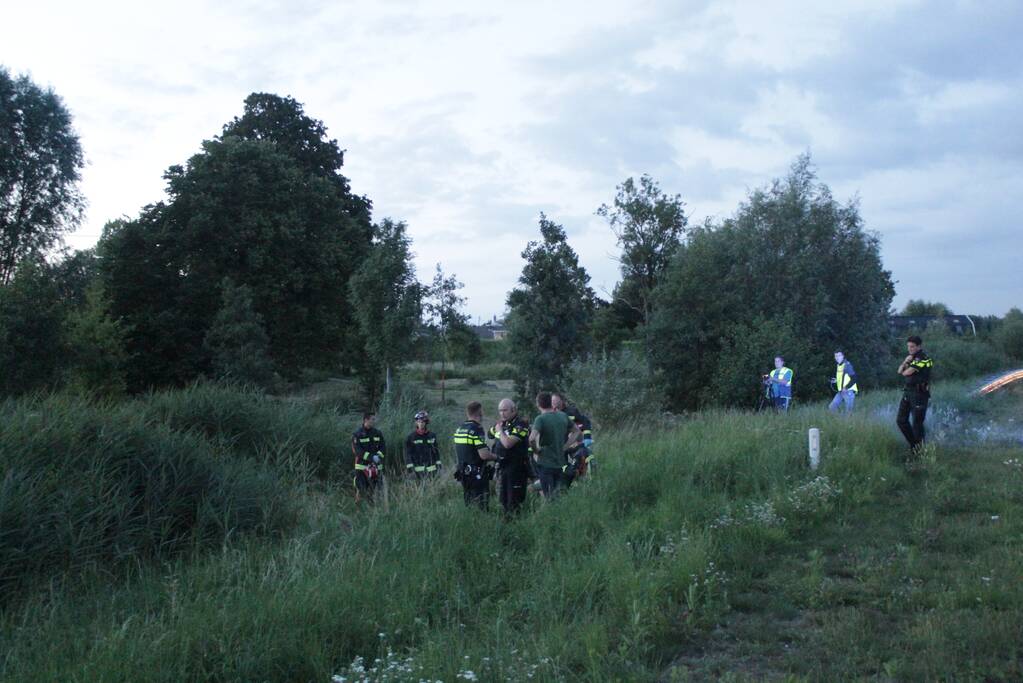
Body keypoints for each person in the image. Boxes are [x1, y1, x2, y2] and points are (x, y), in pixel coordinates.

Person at [529, 391, 581, 499]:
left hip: (545, 464)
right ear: (551, 403)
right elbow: (577, 431)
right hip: (560, 462)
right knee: (558, 496)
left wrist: (536, 450)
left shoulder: (540, 419)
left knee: (549, 497)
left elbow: (532, 438)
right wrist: (566, 446)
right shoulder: (563, 416)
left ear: (538, 405)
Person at [488, 398, 532, 514]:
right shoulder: (503, 424)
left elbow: (507, 444)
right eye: (500, 411)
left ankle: (516, 526)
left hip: (516, 469)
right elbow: (490, 433)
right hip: (502, 468)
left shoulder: (521, 425)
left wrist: (500, 431)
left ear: (513, 410)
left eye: (505, 410)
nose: (502, 413)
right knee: (503, 501)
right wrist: (499, 428)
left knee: (514, 502)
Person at [453, 401, 497, 508]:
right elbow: (484, 455)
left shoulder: (459, 429)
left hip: (463, 473)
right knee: (481, 505)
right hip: (477, 474)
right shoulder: (477, 429)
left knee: (469, 504)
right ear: (480, 412)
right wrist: (497, 457)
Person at [896, 335, 933, 454]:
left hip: (919, 394)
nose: (909, 349)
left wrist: (907, 363)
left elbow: (906, 372)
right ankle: (914, 445)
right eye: (908, 346)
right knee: (901, 420)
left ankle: (919, 451)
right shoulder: (911, 358)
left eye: (912, 347)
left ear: (919, 346)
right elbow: (899, 371)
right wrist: (906, 361)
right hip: (908, 392)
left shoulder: (923, 358)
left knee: (917, 423)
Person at [552, 392, 594, 488]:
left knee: (582, 457)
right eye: (552, 401)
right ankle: (565, 483)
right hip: (560, 446)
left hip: (573, 443)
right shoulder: (550, 414)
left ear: (561, 401)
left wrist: (587, 437)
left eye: (555, 400)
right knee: (562, 467)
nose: (553, 402)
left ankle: (583, 477)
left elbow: (585, 421)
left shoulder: (572, 411)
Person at [352, 411, 385, 503]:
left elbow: (383, 447)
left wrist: (378, 456)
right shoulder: (357, 434)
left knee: (377, 489)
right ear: (366, 420)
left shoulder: (377, 433)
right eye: (372, 419)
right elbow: (357, 451)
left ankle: (374, 507)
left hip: (376, 466)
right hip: (362, 467)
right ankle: (360, 506)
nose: (374, 421)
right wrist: (371, 457)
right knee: (362, 488)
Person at [404, 410, 441, 479]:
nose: (420, 424)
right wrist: (410, 468)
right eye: (419, 422)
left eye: (422, 422)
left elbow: (436, 452)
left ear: (426, 422)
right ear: (416, 423)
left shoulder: (432, 436)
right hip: (417, 471)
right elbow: (407, 454)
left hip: (432, 470)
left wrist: (439, 465)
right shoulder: (411, 437)